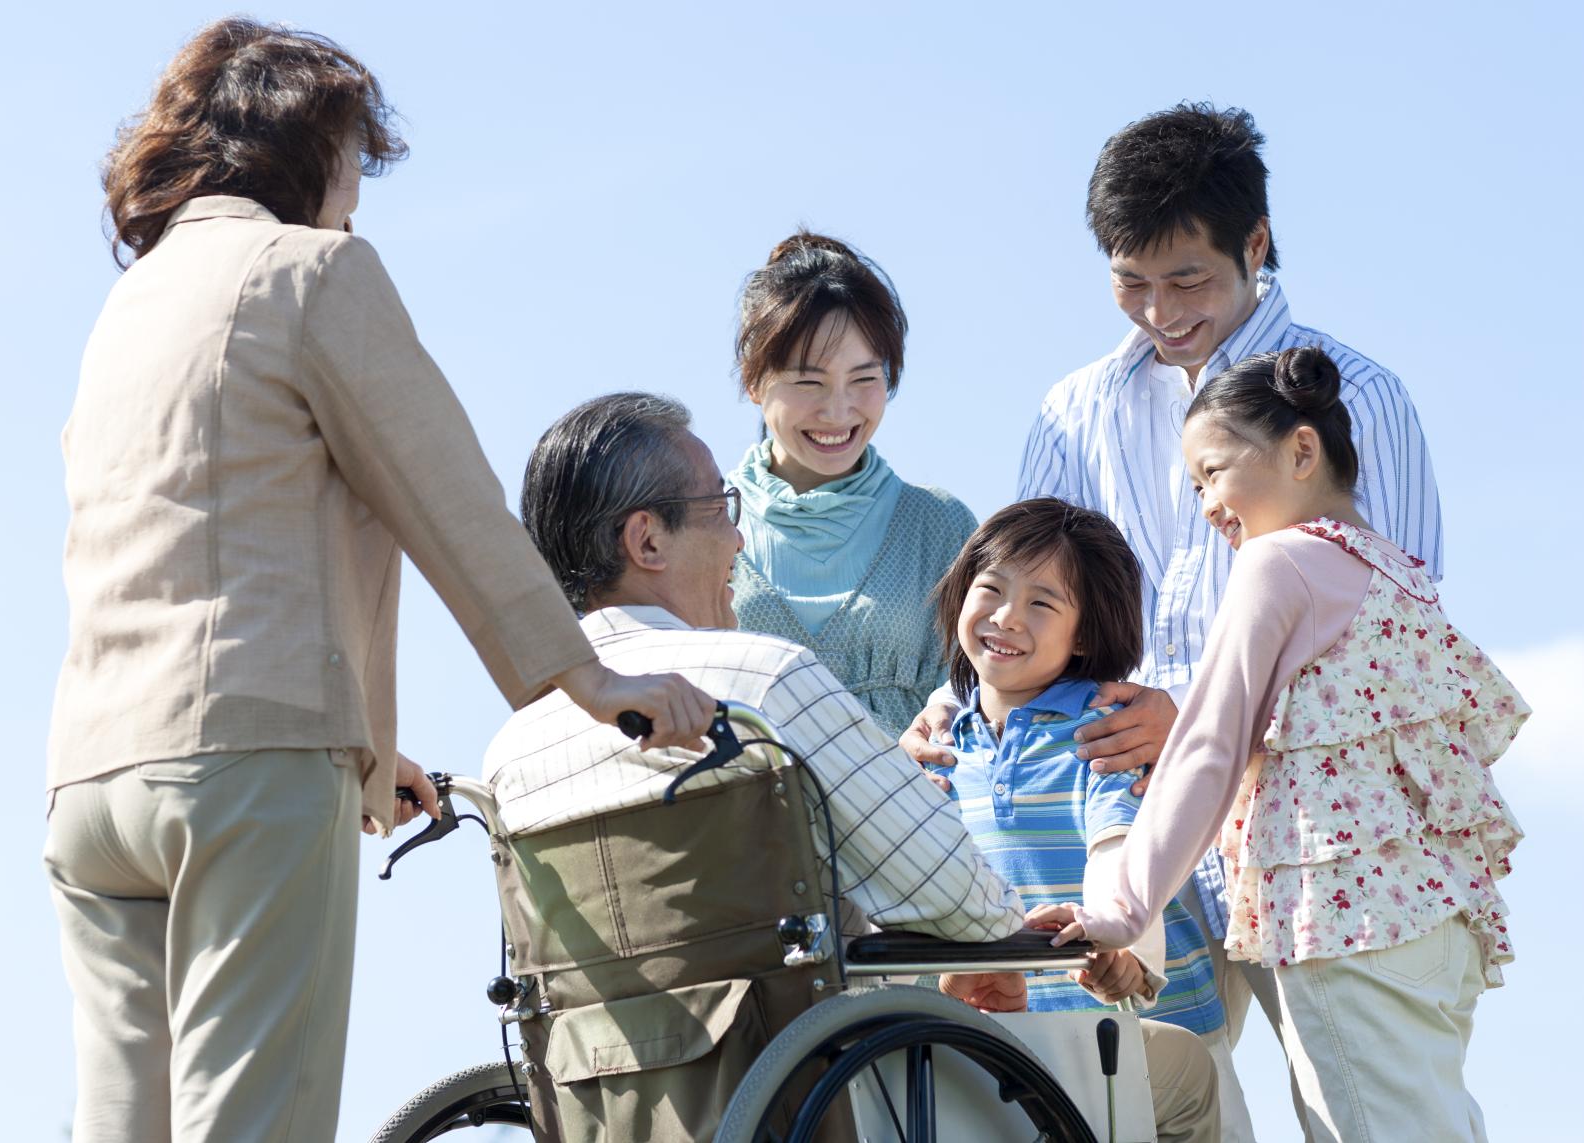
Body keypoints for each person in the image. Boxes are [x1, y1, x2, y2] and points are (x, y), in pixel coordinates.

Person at [43, 21, 712, 1143]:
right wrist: (584, 679)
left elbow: (209, 536)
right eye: (355, 155)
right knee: (255, 1123)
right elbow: (440, 489)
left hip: (92, 779)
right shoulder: (309, 272)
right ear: (305, 146)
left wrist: (357, 738)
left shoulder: (130, 306)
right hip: (245, 772)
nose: (359, 190)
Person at [489, 391, 1222, 1142]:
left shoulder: (517, 745)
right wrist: (1000, 936)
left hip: (613, 1094)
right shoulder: (763, 681)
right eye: (721, 508)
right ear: (647, 540)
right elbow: (949, 891)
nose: (741, 541)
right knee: (1191, 1080)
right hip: (813, 1073)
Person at [904, 102, 1445, 1118]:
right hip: (1110, 834)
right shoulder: (1074, 410)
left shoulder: (1359, 401)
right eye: (1127, 282)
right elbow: (1030, 595)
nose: (1157, 311)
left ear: (1254, 244)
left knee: (1365, 1110)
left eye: (1186, 278)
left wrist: (1192, 712)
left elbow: (1396, 633)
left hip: (1307, 831)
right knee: (1127, 1112)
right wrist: (959, 700)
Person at [1030, 346, 1526, 1141]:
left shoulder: (1276, 565)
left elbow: (1206, 747)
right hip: (1436, 926)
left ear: (1301, 450)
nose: (1206, 504)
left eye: (1214, 472)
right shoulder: (1396, 573)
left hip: (1346, 923)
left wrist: (1120, 910)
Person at [923, 497, 1253, 1140]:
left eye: (1042, 604)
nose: (1007, 616)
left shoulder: (1103, 730)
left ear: (1086, 634)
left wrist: (1122, 944)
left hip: (1156, 1036)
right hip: (1029, 1045)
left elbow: (1122, 847)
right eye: (990, 589)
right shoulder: (943, 746)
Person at [729, 232, 976, 737]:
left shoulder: (939, 526)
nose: (838, 411)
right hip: (741, 815)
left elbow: (984, 698)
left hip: (913, 813)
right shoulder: (701, 522)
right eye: (808, 382)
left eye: (865, 378)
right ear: (753, 381)